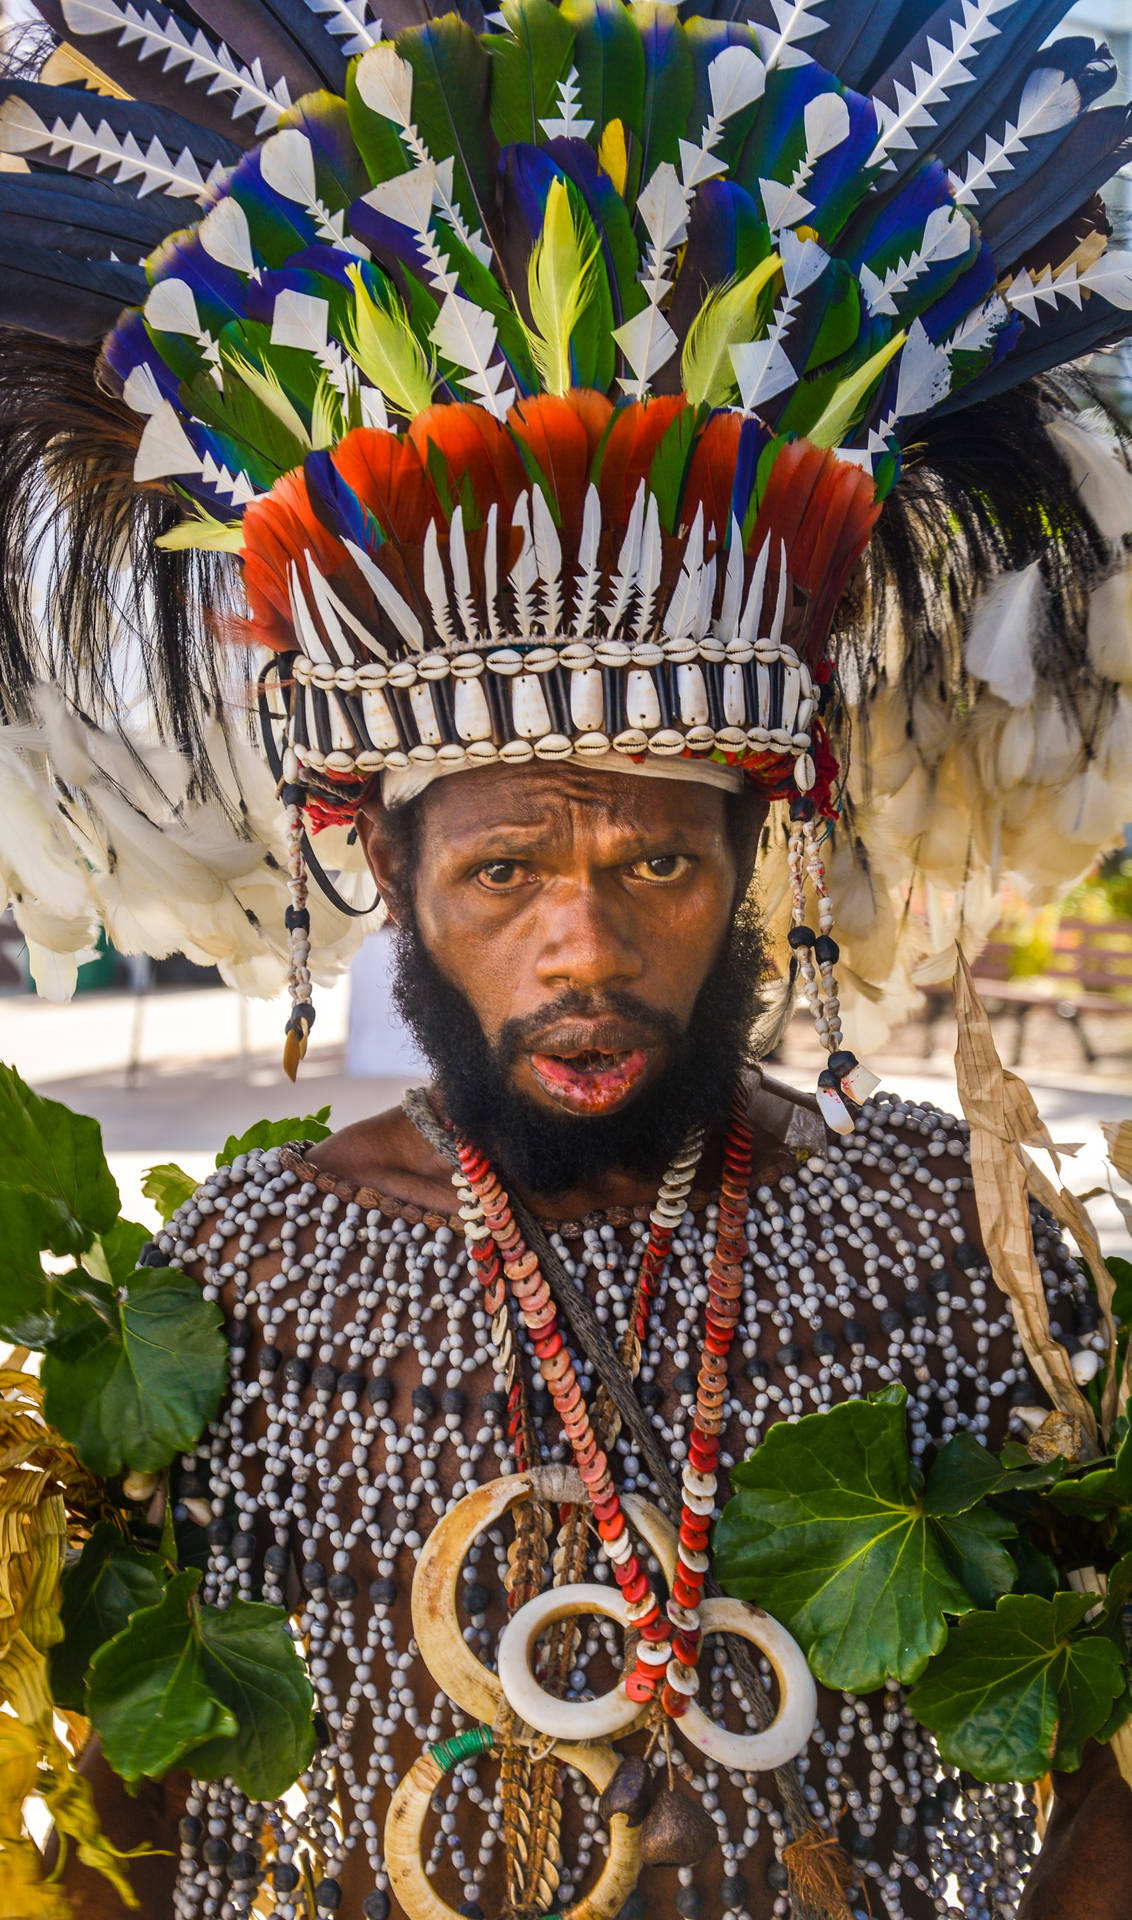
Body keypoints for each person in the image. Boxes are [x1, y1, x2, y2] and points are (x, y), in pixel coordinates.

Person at [3, 1, 1132, 1916]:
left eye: (658, 865)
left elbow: (1104, 1764)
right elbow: (133, 1811)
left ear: (755, 853)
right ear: (386, 870)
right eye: (507, 867)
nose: (584, 945)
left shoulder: (962, 1247)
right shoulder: (239, 1296)